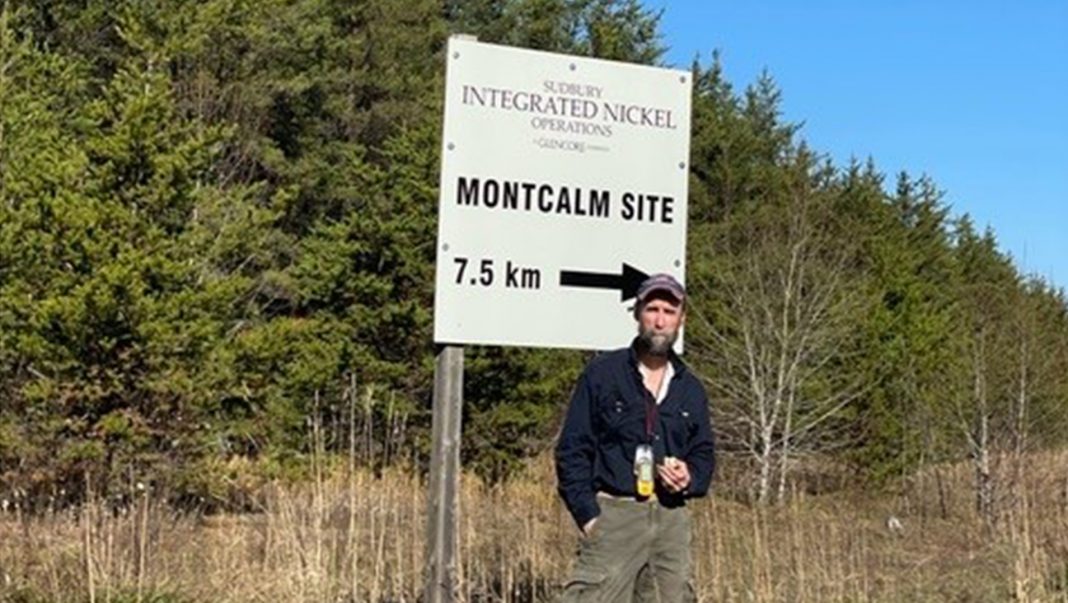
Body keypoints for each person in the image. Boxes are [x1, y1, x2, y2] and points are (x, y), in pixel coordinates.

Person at [555, 273, 715, 602]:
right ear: (637, 314)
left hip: (671, 521)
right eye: (652, 310)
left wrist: (689, 476)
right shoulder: (603, 374)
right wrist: (589, 516)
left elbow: (703, 453)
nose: (660, 321)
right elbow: (572, 450)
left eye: (669, 312)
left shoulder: (691, 388)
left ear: (682, 319)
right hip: (615, 515)